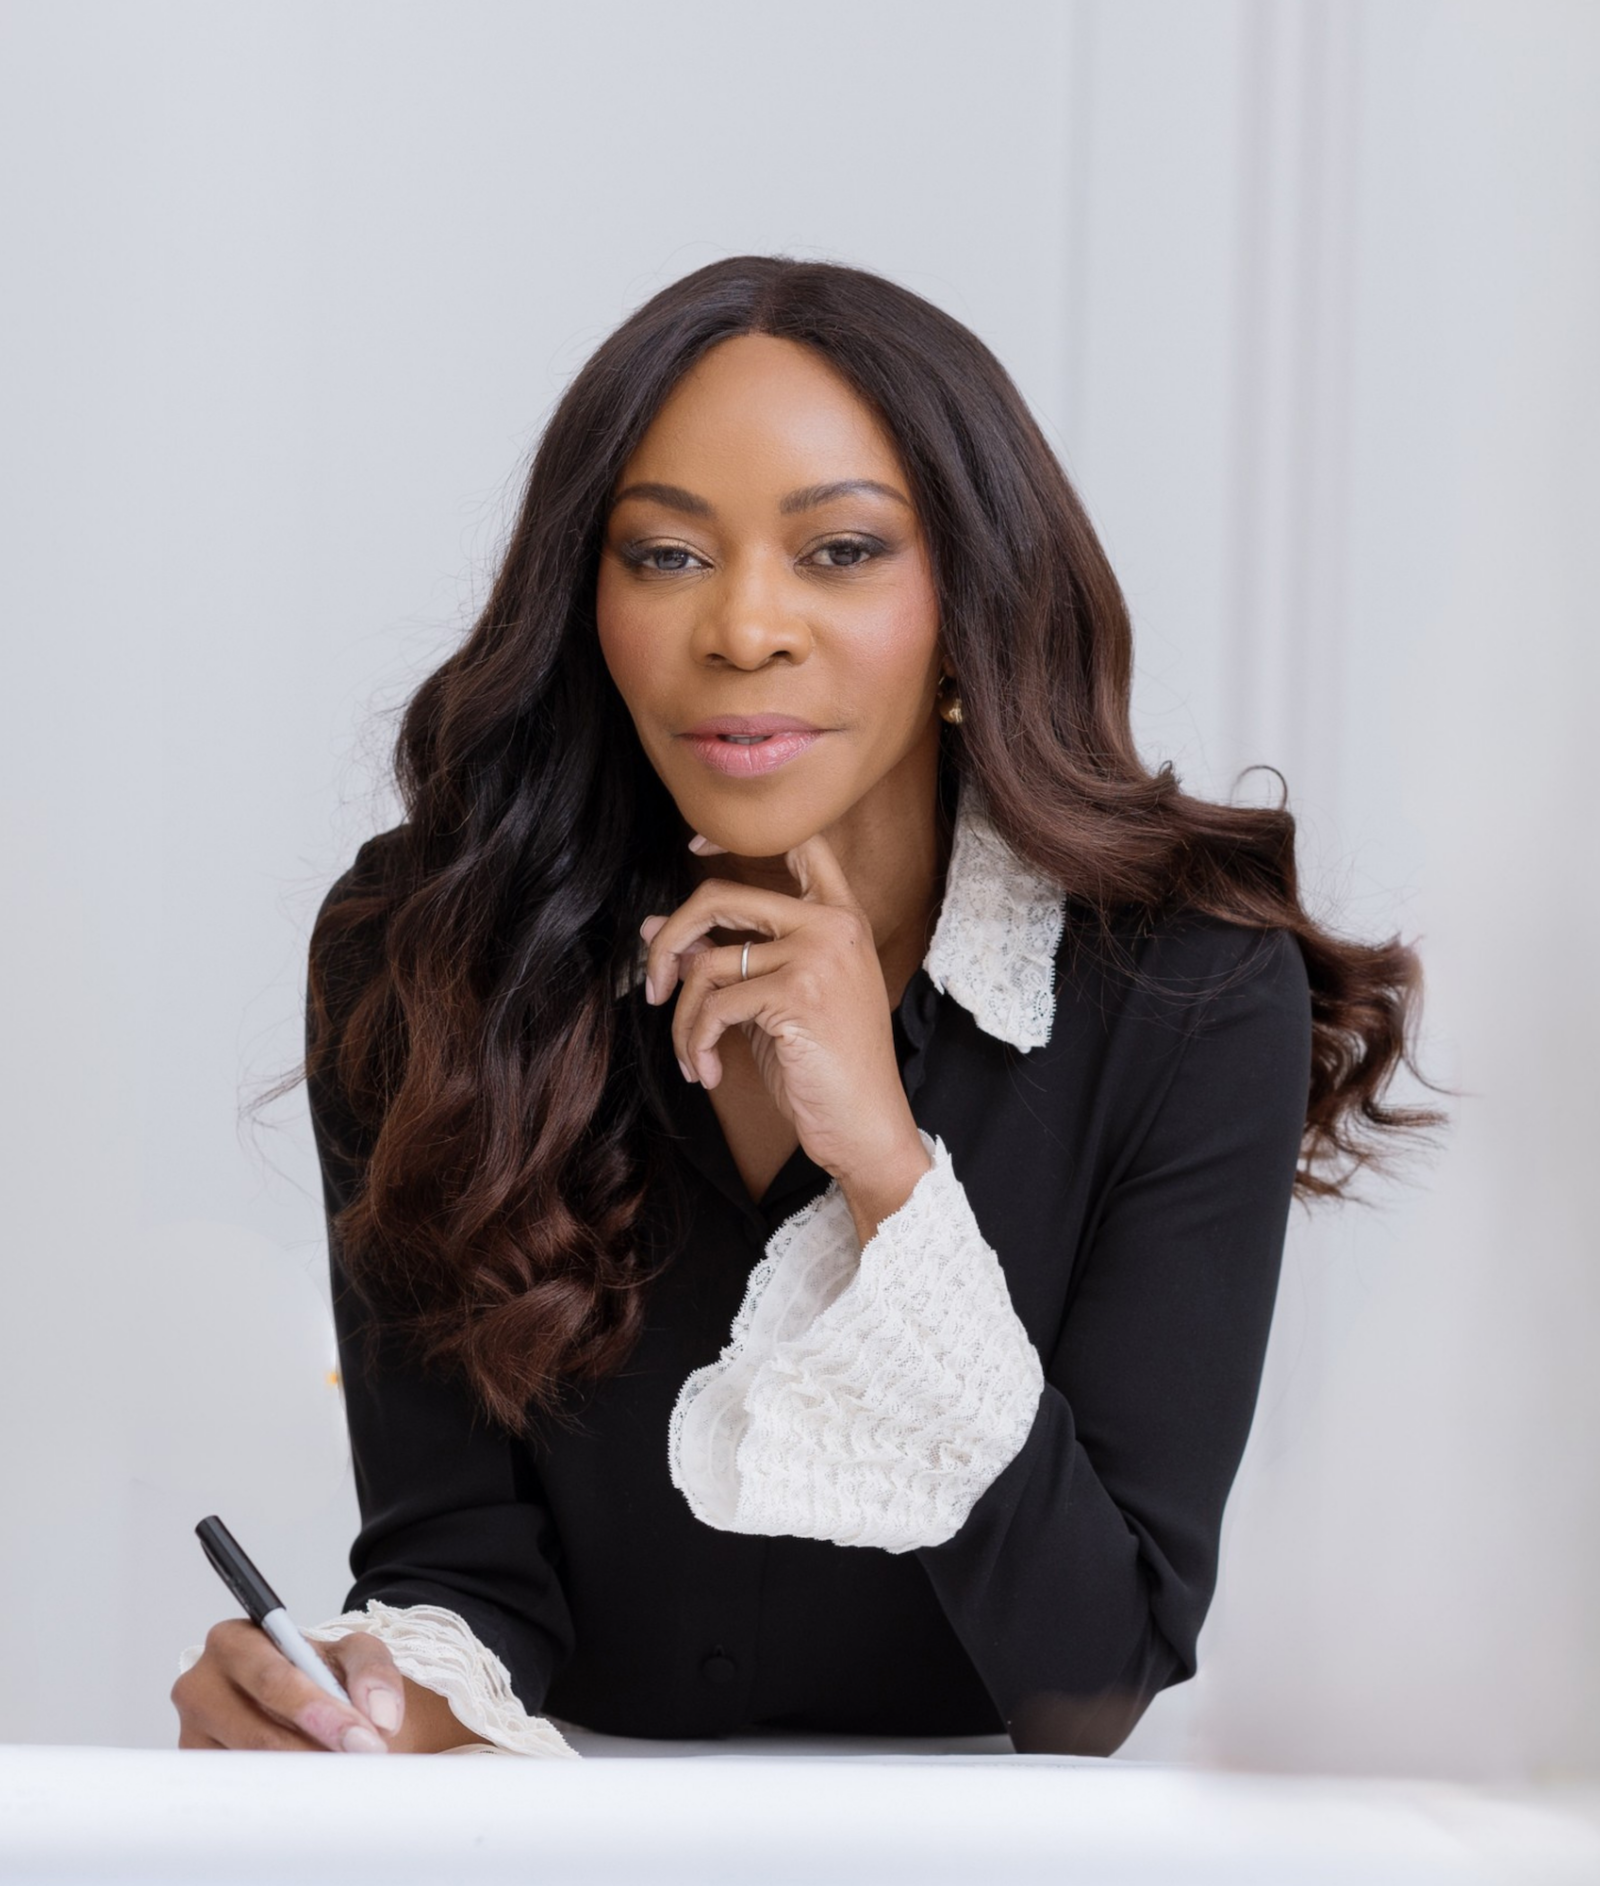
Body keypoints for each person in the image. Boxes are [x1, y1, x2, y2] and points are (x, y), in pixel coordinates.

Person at [172, 256, 1436, 1758]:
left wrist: (889, 1170)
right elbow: (466, 1573)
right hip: (579, 1850)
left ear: (970, 608)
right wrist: (362, 1699)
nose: (745, 628)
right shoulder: (429, 951)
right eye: (666, 556)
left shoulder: (1188, 990)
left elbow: (1092, 1671)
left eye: (841, 551)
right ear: (589, 607)